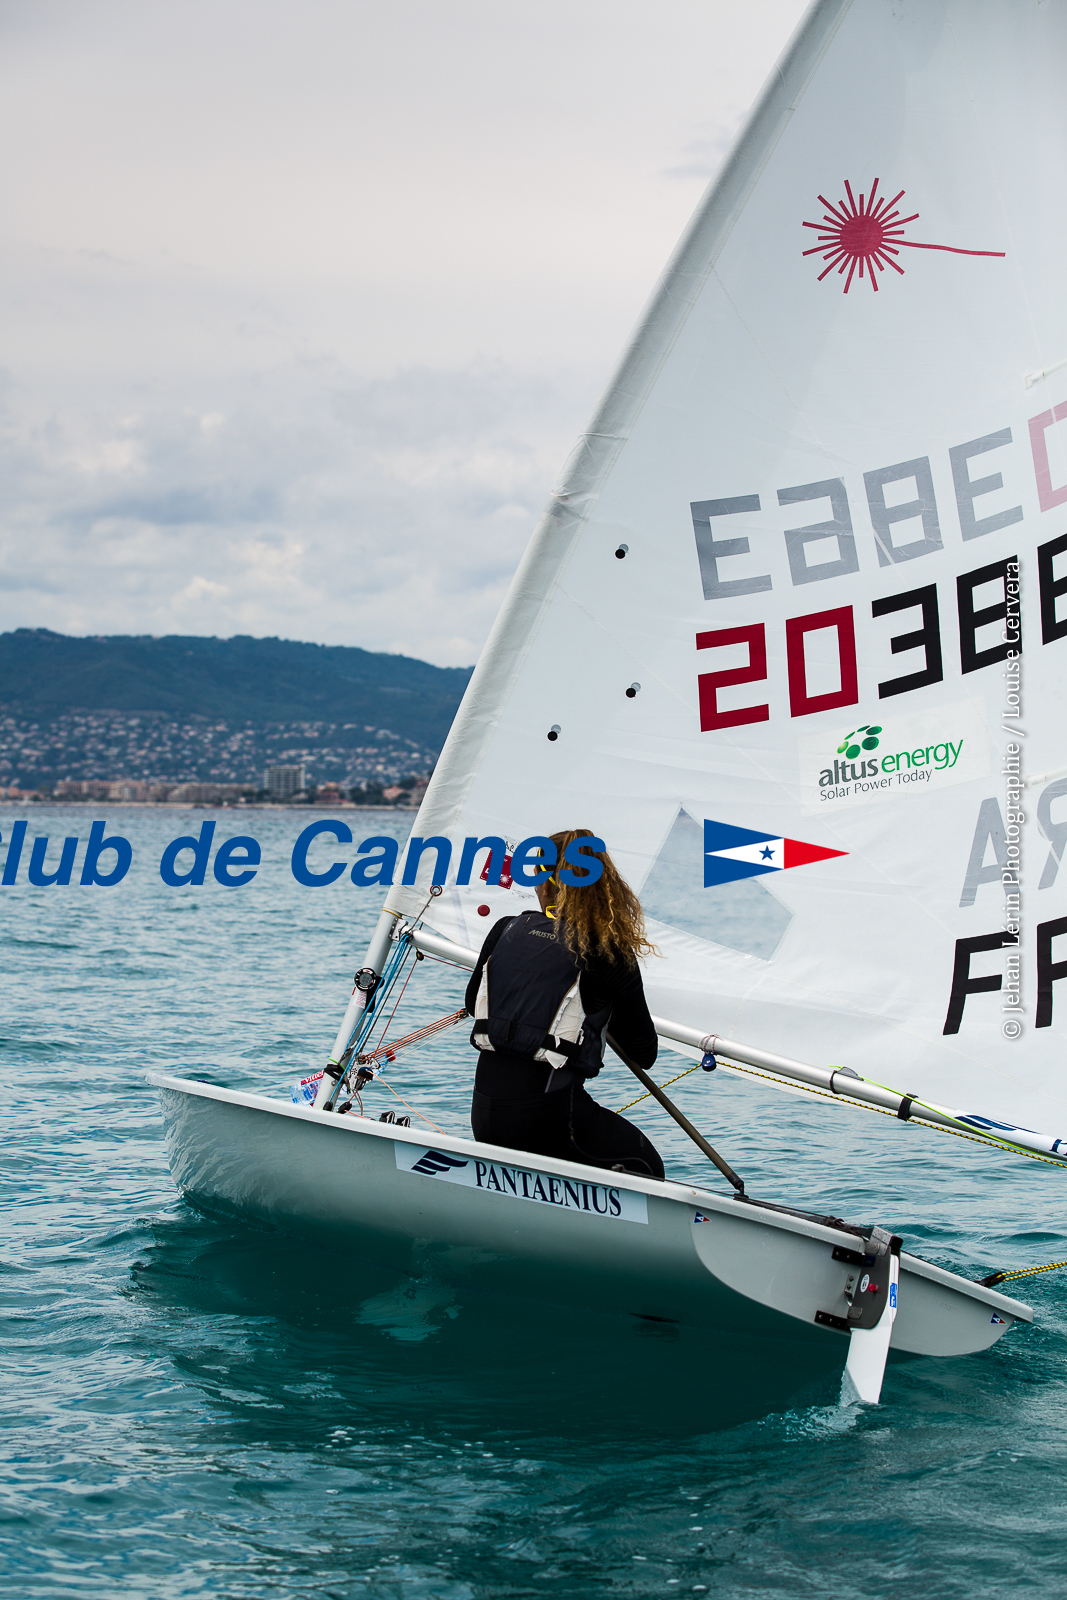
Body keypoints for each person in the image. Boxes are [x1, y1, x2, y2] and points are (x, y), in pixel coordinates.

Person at [464, 827, 665, 1179]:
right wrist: (603, 1008)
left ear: (545, 884)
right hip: (547, 1121)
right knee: (646, 1165)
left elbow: (473, 1005)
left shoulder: (505, 928)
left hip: (485, 1118)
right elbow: (644, 1052)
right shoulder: (608, 952)